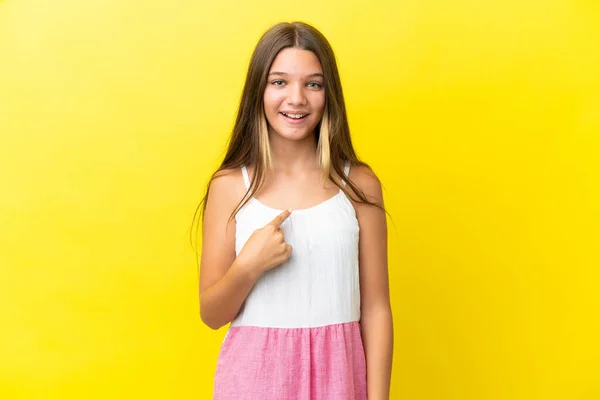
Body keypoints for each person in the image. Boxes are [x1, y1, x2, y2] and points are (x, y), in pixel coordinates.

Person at [195, 21, 393, 399]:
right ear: (259, 91)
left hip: (340, 380)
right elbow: (211, 314)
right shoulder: (230, 186)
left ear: (328, 93)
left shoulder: (358, 186)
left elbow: (377, 310)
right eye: (279, 82)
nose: (297, 98)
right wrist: (248, 266)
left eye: (313, 84)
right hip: (254, 381)